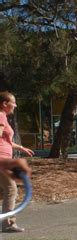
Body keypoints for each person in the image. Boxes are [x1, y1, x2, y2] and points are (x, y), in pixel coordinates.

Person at [0, 92, 34, 232]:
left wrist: (20, 147)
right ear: (4, 103)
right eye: (13, 102)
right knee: (11, 189)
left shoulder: (4, 117)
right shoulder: (1, 117)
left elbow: (5, 140)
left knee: (9, 189)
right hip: (2, 159)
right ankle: (8, 224)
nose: (15, 105)